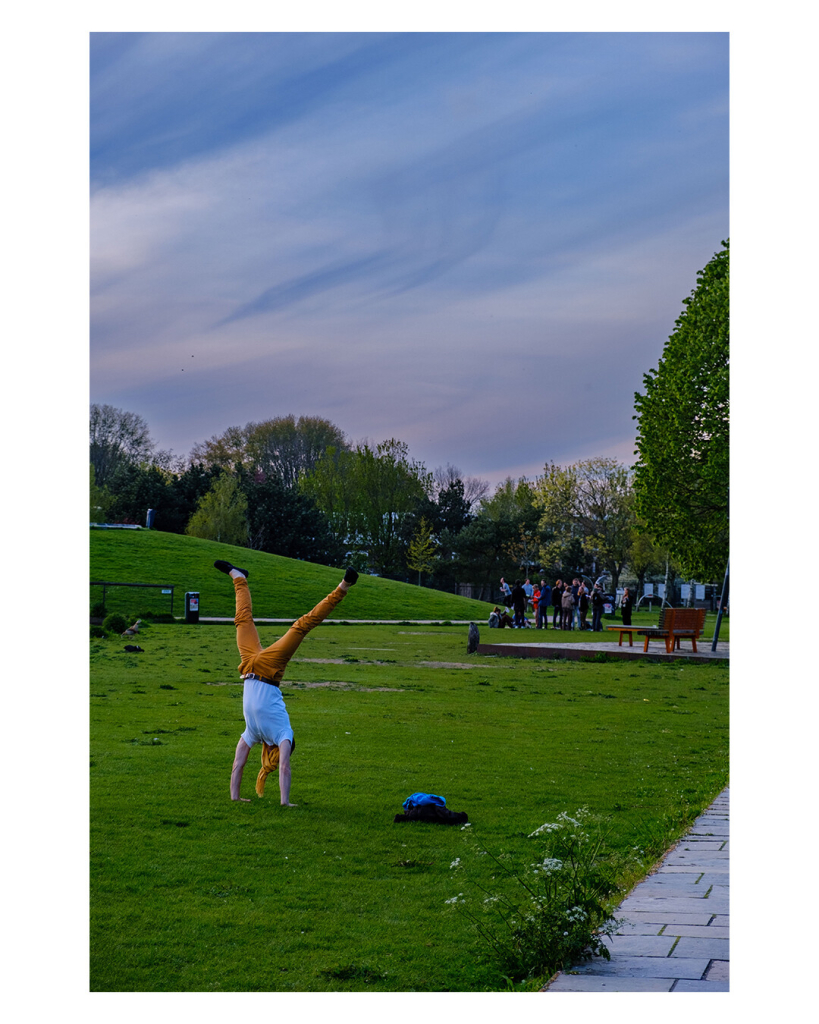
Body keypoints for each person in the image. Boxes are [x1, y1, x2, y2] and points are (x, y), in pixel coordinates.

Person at [214, 559, 358, 804]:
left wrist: (235, 798)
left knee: (242, 621)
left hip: (249, 665)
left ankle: (238, 577)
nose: (283, 755)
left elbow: (238, 764)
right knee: (302, 625)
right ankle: (344, 586)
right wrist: (284, 801)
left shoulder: (253, 734)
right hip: (269, 669)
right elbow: (283, 768)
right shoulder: (283, 733)